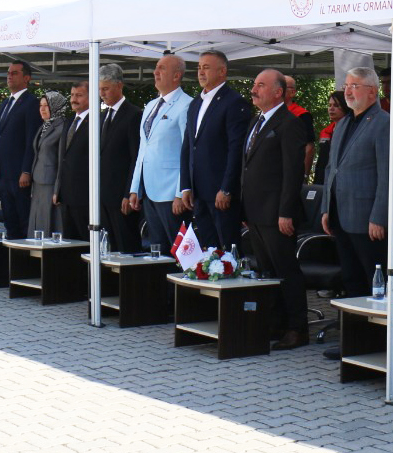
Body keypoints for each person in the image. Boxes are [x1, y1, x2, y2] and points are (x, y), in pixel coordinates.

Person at [240, 69, 309, 350]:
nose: (254, 90)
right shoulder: (256, 120)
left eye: (261, 85)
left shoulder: (289, 124)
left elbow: (293, 173)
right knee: (267, 271)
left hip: (276, 213)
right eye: (254, 84)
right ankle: (275, 323)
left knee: (286, 271)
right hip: (255, 211)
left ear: (278, 92)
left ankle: (297, 328)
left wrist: (285, 212)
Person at [320, 67, 389, 303]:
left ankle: (379, 326)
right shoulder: (343, 124)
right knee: (351, 279)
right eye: (346, 86)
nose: (348, 91)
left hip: (367, 218)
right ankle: (355, 325)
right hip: (340, 214)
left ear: (372, 91)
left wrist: (379, 216)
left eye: (354, 86)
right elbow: (331, 168)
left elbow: (388, 175)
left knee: (374, 282)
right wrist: (326, 208)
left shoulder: (384, 123)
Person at [180, 50, 248, 251]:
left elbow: (236, 149)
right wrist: (186, 186)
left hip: (220, 192)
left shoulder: (234, 102)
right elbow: (188, 146)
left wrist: (227, 188)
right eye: (199, 68)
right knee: (208, 250)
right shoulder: (195, 103)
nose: (201, 72)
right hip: (198, 191)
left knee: (227, 249)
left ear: (222, 71)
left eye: (206, 68)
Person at [129, 53, 192, 252]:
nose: (155, 72)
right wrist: (135, 188)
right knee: (157, 251)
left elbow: (188, 151)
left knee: (180, 251)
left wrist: (181, 192)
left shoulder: (187, 105)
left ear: (176, 75)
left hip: (171, 192)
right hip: (150, 191)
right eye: (156, 67)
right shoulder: (150, 106)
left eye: (162, 68)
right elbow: (143, 149)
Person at [98, 64, 142, 253]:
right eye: (100, 89)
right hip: (102, 194)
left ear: (119, 86)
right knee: (107, 247)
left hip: (121, 195)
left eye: (106, 89)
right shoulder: (102, 116)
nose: (102, 94)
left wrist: (128, 193)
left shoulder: (133, 115)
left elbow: (135, 157)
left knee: (126, 245)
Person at [0, 60, 39, 239]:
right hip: (4, 174)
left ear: (26, 78)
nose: (9, 76)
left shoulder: (31, 103)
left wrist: (26, 170)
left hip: (19, 174)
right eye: (8, 73)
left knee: (23, 220)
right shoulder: (5, 103)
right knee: (9, 220)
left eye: (14, 73)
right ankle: (11, 253)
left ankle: (24, 254)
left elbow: (31, 139)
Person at [26, 91, 69, 237]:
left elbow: (61, 161)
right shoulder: (44, 126)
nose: (42, 109)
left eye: (46, 106)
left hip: (50, 182)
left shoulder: (62, 127)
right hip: (38, 181)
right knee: (36, 221)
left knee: (49, 222)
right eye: (41, 105)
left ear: (56, 107)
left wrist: (58, 189)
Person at [54, 83, 92, 241]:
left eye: (79, 95)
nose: (74, 99)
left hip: (85, 194)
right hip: (67, 194)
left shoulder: (96, 122)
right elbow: (62, 158)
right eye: (72, 95)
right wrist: (58, 190)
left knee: (85, 240)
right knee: (69, 240)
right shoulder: (69, 122)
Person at [313, 91, 350, 185]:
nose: (331, 109)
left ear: (346, 107)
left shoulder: (351, 131)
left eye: (336, 105)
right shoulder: (325, 131)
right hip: (323, 180)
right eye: (329, 105)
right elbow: (321, 161)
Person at [283, 74, 316, 178]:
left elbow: (309, 147)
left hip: (291, 171)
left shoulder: (301, 115)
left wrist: (304, 175)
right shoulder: (267, 114)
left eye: (283, 86)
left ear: (292, 92)